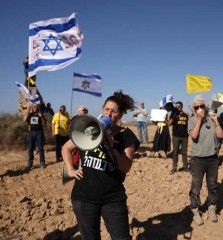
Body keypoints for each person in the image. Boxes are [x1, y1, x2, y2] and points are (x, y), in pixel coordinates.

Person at [61, 90, 140, 239]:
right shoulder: (89, 129)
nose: (109, 114)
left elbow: (126, 167)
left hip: (113, 198)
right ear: (102, 109)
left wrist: (111, 146)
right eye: (106, 109)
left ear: (121, 115)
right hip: (84, 197)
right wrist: (71, 170)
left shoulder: (126, 135)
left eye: (114, 111)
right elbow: (66, 148)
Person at [188, 95, 223, 226]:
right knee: (196, 186)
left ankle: (212, 207)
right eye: (196, 107)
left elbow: (220, 135)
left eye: (201, 106)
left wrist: (216, 121)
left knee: (212, 185)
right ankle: (195, 210)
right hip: (197, 159)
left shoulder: (212, 119)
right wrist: (199, 119)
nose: (199, 108)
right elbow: (194, 135)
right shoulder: (192, 120)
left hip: (212, 158)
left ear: (205, 106)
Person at [168, 101, 190, 174]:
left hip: (185, 137)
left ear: (181, 107)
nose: (177, 107)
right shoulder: (173, 114)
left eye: (179, 106)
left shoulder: (185, 115)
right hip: (176, 136)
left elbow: (190, 123)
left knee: (184, 153)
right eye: (176, 106)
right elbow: (169, 124)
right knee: (175, 152)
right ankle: (174, 167)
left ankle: (185, 167)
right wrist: (173, 116)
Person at [23, 104, 46, 168]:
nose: (35, 108)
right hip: (31, 133)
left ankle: (42, 162)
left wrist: (41, 117)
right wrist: (27, 112)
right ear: (32, 108)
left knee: (40, 148)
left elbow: (44, 123)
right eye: (34, 107)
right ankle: (30, 162)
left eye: (36, 107)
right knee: (30, 148)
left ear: (38, 108)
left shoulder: (40, 115)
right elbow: (24, 120)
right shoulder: (30, 115)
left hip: (39, 132)